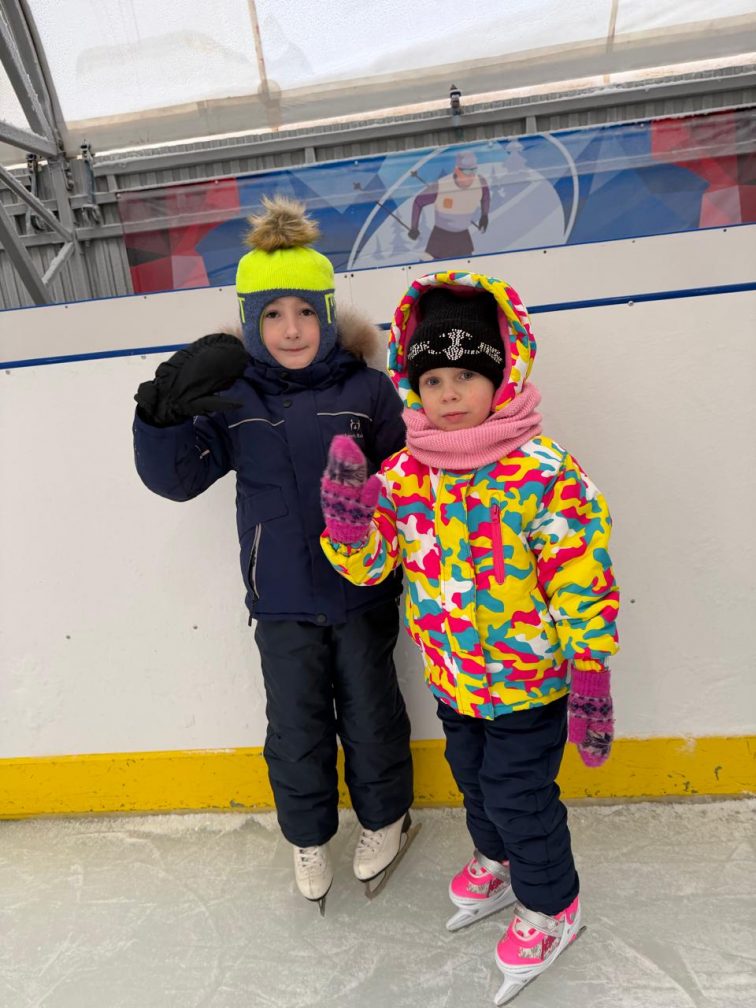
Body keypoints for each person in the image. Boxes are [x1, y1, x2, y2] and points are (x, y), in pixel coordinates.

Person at [319, 272, 619, 1001]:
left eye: (466, 375)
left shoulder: (543, 472)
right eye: (433, 379)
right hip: (454, 679)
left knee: (520, 797)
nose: (449, 393)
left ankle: (553, 907)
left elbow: (580, 571)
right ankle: (500, 861)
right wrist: (349, 527)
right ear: (412, 386)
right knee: (475, 783)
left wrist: (590, 669)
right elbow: (374, 566)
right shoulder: (403, 476)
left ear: (500, 375)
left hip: (529, 683)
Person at [132, 196, 414, 913]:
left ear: (329, 315)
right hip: (282, 598)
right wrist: (161, 420)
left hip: (363, 592)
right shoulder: (234, 397)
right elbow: (179, 478)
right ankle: (308, 836)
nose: (292, 329)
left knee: (372, 714)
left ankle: (387, 817)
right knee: (295, 726)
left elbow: (411, 481)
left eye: (306, 311)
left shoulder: (369, 390)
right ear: (251, 322)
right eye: (273, 315)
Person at [408, 150, 490, 259]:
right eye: (467, 171)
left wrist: (484, 215)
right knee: (433, 268)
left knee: (466, 268)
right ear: (457, 170)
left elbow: (485, 196)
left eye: (474, 170)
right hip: (441, 238)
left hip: (462, 237)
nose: (471, 175)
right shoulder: (441, 186)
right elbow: (418, 202)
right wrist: (414, 227)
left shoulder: (479, 182)